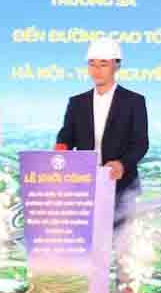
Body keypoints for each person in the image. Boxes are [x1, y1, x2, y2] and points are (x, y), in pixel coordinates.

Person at [54, 37, 149, 226]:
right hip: (84, 184)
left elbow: (140, 143)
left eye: (103, 64)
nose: (96, 70)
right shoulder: (77, 102)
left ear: (116, 66)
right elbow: (67, 135)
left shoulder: (134, 101)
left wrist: (122, 164)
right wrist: (61, 148)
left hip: (121, 185)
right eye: (92, 64)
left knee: (121, 246)